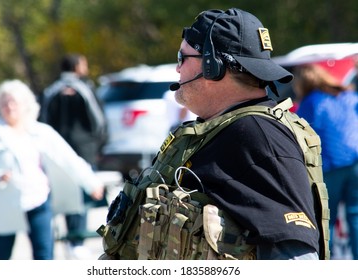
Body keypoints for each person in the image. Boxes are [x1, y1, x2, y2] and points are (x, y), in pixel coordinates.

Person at [99, 8, 328, 260]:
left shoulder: (259, 137)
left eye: (181, 57)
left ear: (213, 66)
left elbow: (296, 259)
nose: (177, 70)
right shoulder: (223, 129)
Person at [0, 79, 104, 260]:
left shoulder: (40, 131)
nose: (9, 107)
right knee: (1, 256)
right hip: (3, 203)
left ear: (24, 105)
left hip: (37, 198)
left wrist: (91, 183)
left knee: (44, 255)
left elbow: (68, 158)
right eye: (4, 103)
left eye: (13, 102)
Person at [41, 53, 107, 259]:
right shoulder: (85, 89)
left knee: (60, 193)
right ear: (77, 66)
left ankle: (65, 239)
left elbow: (42, 120)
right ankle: (77, 242)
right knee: (83, 195)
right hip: (83, 151)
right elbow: (99, 122)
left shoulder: (51, 90)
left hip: (54, 152)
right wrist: (98, 146)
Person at [293, 63, 358, 259]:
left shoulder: (311, 101)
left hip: (331, 164)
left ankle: (324, 263)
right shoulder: (349, 95)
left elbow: (300, 133)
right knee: (355, 216)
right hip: (355, 161)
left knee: (324, 218)